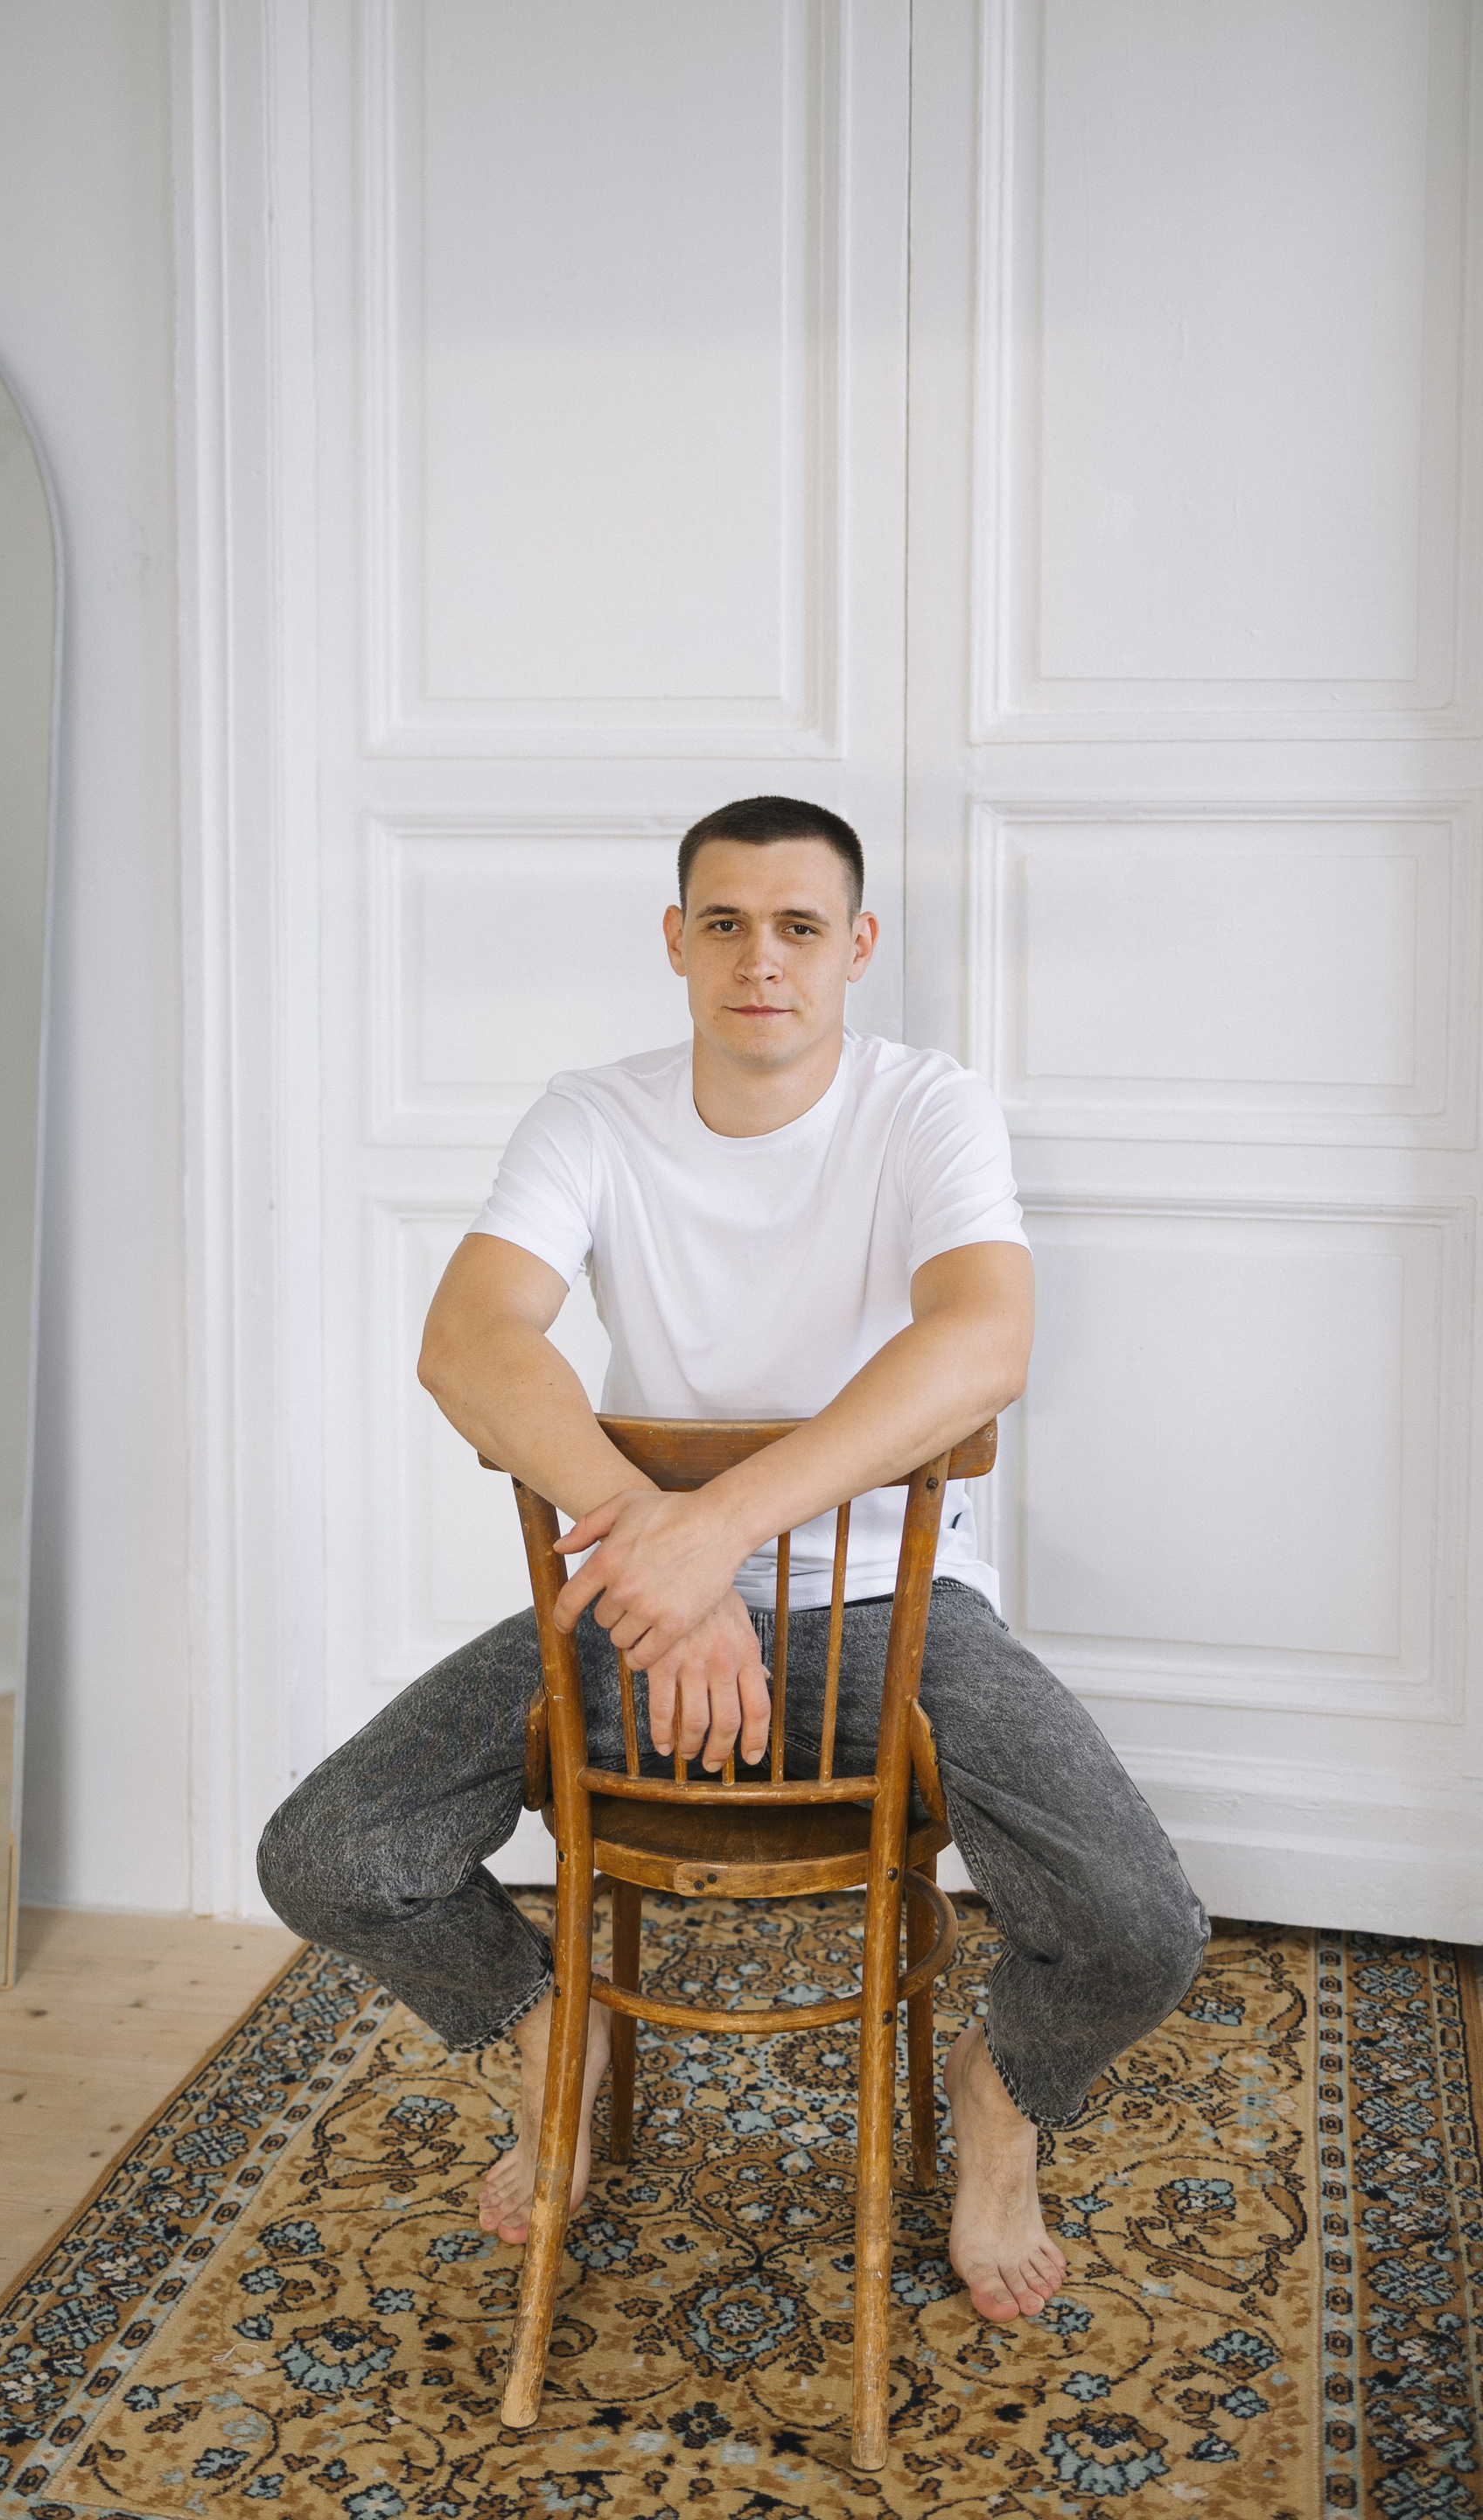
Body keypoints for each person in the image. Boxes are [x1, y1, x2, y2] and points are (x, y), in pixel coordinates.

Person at [257, 794, 1209, 2326]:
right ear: (677, 940)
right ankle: (551, 2039)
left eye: (799, 927)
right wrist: (667, 1562)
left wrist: (716, 1528)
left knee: (1139, 1929)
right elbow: (469, 1340)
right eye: (726, 923)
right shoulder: (591, 1115)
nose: (761, 958)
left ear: (856, 947)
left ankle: (1001, 2093)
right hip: (638, 1620)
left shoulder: (928, 1107)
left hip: (897, 1613)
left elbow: (987, 1340)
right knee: (327, 1852)